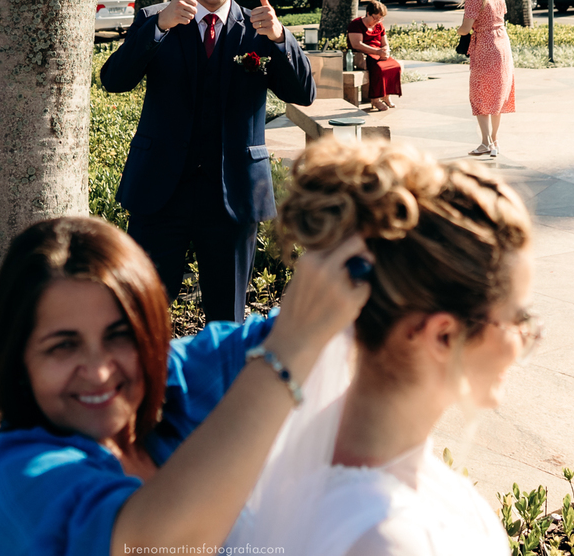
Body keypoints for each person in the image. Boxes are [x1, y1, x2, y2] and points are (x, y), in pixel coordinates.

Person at [0, 215, 371, 556]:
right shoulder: (7, 484)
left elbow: (302, 322)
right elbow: (156, 544)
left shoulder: (174, 383)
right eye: (63, 346)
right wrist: (287, 356)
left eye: (120, 335)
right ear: (18, 359)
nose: (100, 372)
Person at [226, 138, 538, 556]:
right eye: (519, 319)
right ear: (443, 335)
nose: (526, 340)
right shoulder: (387, 540)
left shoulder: (315, 451)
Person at [100, 0, 316, 323]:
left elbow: (304, 93)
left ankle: (224, 387)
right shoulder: (155, 19)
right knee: (141, 317)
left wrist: (281, 36)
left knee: (227, 317)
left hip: (232, 196)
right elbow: (113, 80)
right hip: (159, 192)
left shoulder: (261, 28)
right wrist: (160, 27)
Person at [456, 0, 515, 158]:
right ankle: (495, 142)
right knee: (496, 95)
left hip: (485, 48)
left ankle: (485, 142)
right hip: (502, 47)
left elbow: (466, 28)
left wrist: (459, 31)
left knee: (480, 95)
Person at [347, 0, 402, 112]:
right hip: (364, 54)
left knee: (395, 66)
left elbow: (385, 43)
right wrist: (377, 52)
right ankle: (375, 99)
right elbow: (357, 44)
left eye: (380, 18)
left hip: (378, 53)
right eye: (375, 18)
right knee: (378, 69)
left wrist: (385, 51)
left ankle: (386, 95)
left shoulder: (379, 26)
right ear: (368, 13)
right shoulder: (356, 24)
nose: (377, 21)